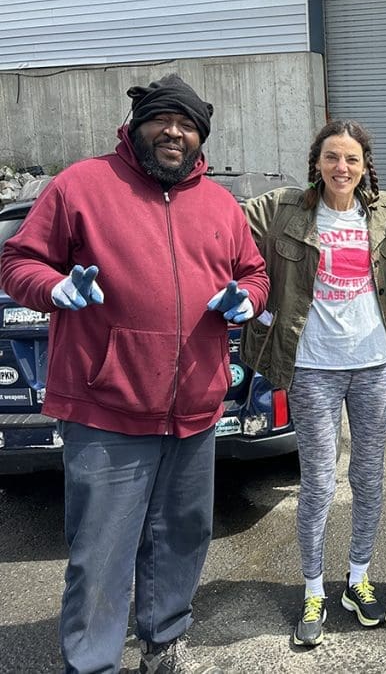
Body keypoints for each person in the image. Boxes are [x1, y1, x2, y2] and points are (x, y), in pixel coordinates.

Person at [0, 74, 269, 674]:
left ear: (201, 137)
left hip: (196, 407)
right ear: (136, 124)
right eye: (163, 120)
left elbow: (254, 270)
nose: (175, 132)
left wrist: (248, 298)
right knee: (101, 552)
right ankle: (93, 663)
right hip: (108, 405)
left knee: (183, 535)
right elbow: (18, 259)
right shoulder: (82, 186)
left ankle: (163, 635)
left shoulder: (221, 205)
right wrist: (53, 288)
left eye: (189, 124)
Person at [240, 119, 386, 646]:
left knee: (369, 478)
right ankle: (314, 589)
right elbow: (220, 224)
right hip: (311, 367)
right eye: (331, 158)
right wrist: (249, 292)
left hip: (373, 365)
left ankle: (359, 579)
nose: (341, 168)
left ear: (365, 164)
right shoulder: (283, 207)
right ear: (316, 162)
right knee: (319, 483)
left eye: (351, 159)